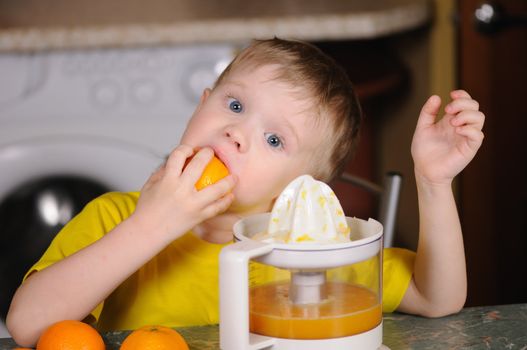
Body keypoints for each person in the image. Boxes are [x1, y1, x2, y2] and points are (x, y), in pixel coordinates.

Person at [6, 38, 484, 346]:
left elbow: (434, 296)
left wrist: (434, 182)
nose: (237, 132)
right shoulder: (114, 217)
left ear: (297, 191)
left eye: (275, 140)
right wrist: (150, 225)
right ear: (200, 106)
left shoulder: (309, 255)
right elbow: (26, 325)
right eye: (234, 104)